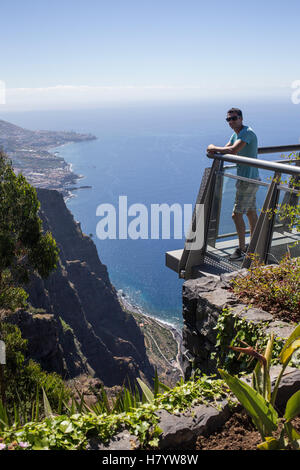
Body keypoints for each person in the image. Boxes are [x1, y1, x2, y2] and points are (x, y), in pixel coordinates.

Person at [206, 108, 259, 260]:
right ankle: (254, 245)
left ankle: (242, 250)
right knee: (250, 213)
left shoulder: (247, 132)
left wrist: (212, 147)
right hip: (248, 179)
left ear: (241, 118)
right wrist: (216, 150)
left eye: (234, 118)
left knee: (236, 216)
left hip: (247, 180)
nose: (231, 122)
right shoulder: (237, 133)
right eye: (228, 119)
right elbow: (226, 149)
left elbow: (232, 150)